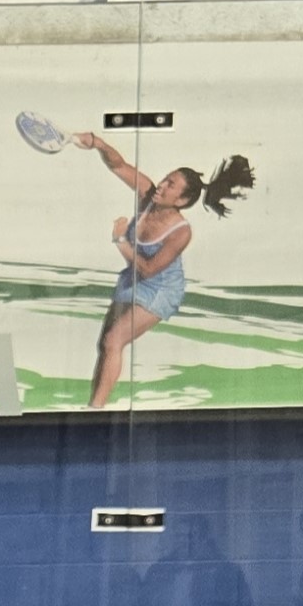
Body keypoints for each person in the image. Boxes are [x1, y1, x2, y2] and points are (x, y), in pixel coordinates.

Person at [70, 132, 253, 410]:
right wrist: (99, 144)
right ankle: (93, 408)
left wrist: (120, 239)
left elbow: (148, 270)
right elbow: (118, 165)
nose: (162, 185)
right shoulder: (148, 196)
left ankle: (96, 409)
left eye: (170, 185)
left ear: (181, 200)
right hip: (134, 278)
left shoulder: (181, 232)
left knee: (113, 341)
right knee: (105, 345)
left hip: (160, 288)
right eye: (165, 179)